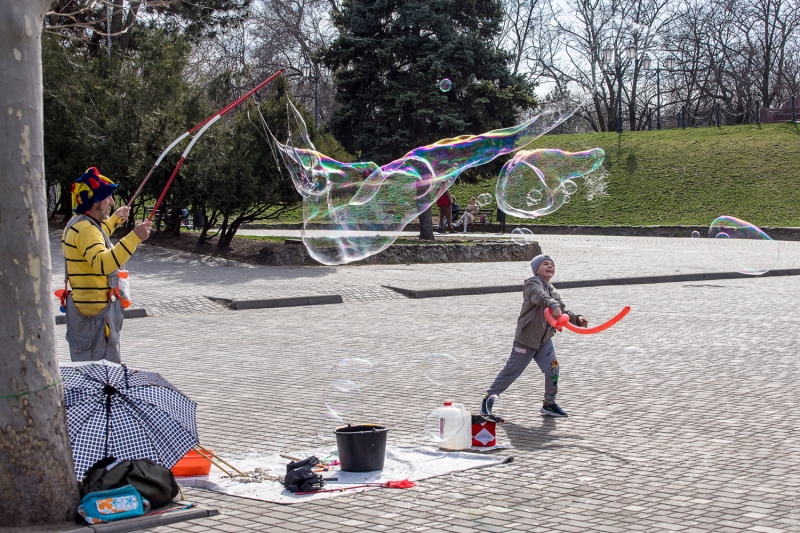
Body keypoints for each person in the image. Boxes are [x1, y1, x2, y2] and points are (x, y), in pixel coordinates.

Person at [61, 167, 152, 363]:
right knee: (104, 377)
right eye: (108, 198)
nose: (112, 202)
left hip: (85, 318)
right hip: (95, 321)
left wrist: (115, 219)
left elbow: (97, 235)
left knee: (89, 372)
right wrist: (134, 237)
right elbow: (103, 263)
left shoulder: (78, 223)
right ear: (94, 202)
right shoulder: (86, 229)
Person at [480, 254, 588, 418]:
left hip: (544, 339)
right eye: (545, 264)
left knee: (553, 368)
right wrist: (552, 304)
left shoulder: (552, 289)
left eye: (552, 264)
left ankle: (549, 404)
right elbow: (540, 297)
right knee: (511, 371)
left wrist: (577, 319)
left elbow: (562, 310)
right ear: (536, 270)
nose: (550, 266)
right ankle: (487, 401)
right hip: (527, 339)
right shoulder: (532, 284)